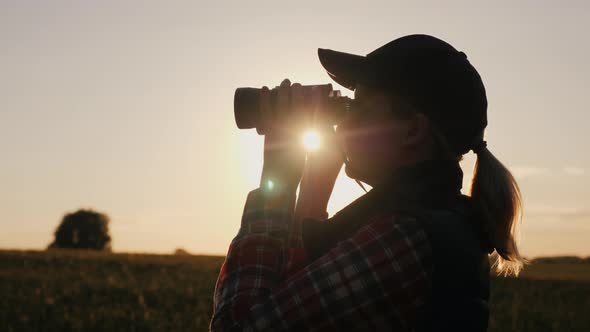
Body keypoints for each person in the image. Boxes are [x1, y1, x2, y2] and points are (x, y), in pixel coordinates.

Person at [210, 34, 524, 331]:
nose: (342, 122)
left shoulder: (404, 236)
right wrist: (314, 194)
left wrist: (276, 180)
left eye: (358, 107)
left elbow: (239, 325)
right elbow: (295, 291)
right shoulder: (445, 218)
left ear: (412, 130)